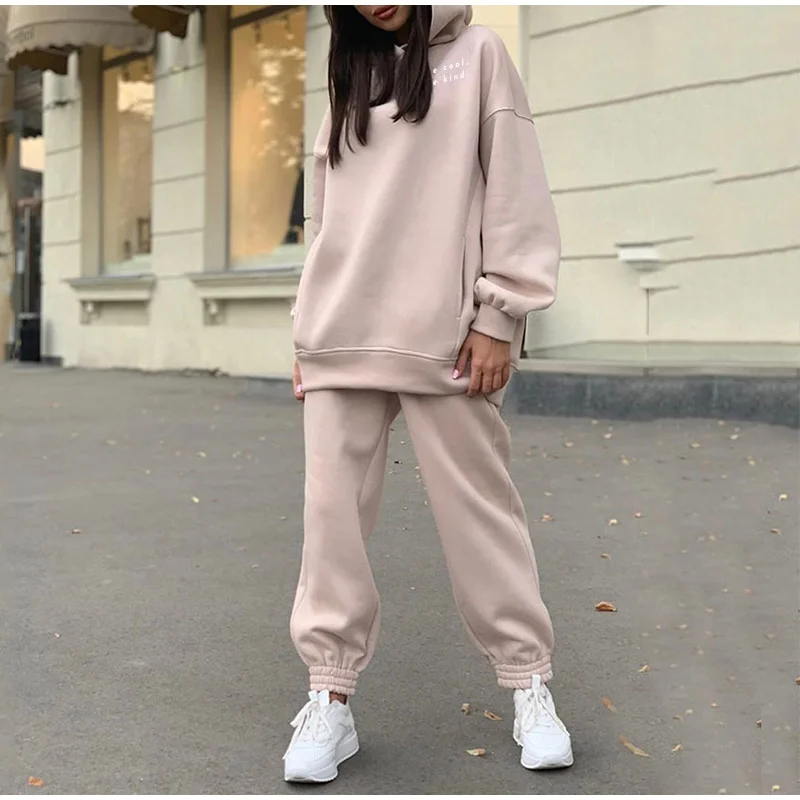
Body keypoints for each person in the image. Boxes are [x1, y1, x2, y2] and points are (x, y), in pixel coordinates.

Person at [284, 4, 572, 783]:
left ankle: (528, 683)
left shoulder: (479, 54)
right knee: (330, 523)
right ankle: (329, 696)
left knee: (480, 514)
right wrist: (306, 332)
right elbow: (325, 214)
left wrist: (500, 314)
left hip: (447, 335)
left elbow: (516, 188)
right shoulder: (350, 70)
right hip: (342, 331)